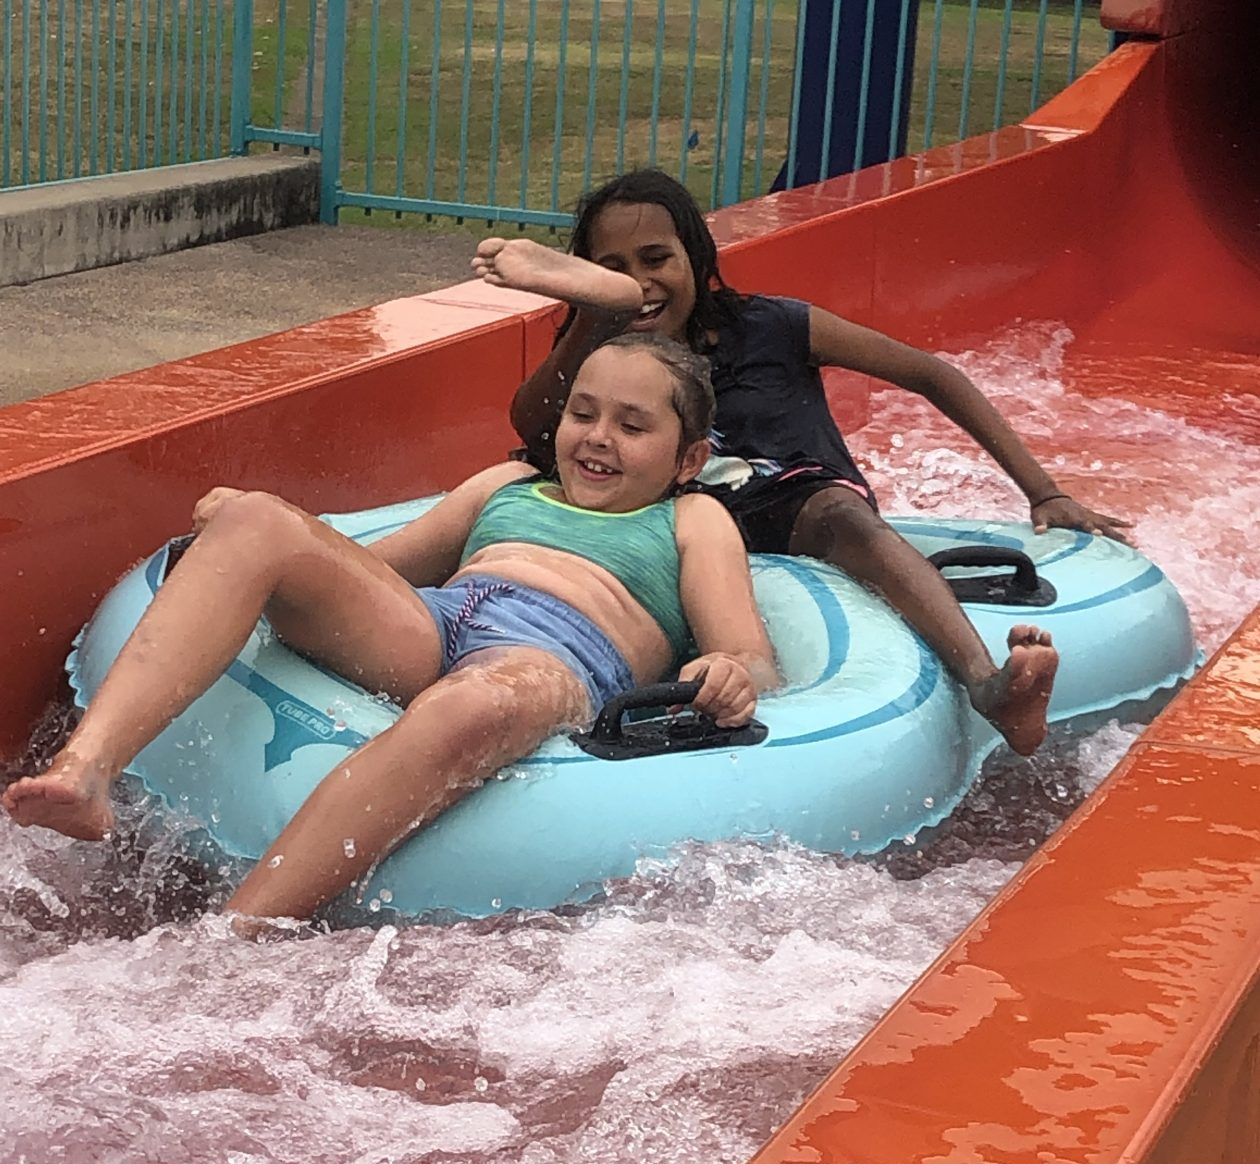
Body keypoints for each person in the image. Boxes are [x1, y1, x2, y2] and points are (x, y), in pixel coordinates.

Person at [1, 336, 778, 926]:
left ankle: (243, 928)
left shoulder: (690, 518)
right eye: (583, 412)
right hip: (439, 623)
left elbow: (747, 652)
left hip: (556, 656)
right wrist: (250, 533)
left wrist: (731, 672)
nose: (598, 436)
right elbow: (372, 567)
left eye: (632, 425)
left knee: (469, 705)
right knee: (259, 520)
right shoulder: (508, 485)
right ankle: (87, 768)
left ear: (689, 458)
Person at [473, 168, 1131, 757]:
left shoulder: (774, 326)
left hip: (795, 506)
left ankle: (988, 686)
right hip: (676, 528)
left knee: (843, 516)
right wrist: (594, 317)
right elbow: (534, 426)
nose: (640, 284)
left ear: (696, 259)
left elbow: (931, 375)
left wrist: (1042, 491)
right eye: (613, 268)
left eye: (656, 260)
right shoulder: (604, 353)